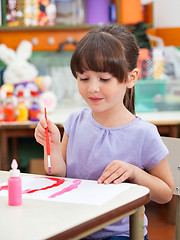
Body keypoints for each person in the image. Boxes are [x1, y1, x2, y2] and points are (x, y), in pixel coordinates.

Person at [35, 24, 174, 240]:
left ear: (131, 78)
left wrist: (135, 173)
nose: (92, 88)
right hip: (74, 227)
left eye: (104, 79)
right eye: (83, 78)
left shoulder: (144, 134)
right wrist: (51, 147)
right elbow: (57, 175)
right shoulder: (75, 121)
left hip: (119, 234)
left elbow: (165, 193)